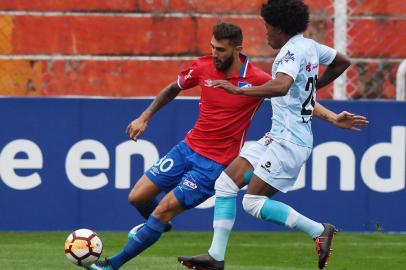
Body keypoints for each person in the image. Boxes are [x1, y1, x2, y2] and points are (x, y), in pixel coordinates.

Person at [177, 1, 369, 270]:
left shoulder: (290, 52)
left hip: (290, 143)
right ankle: (216, 257)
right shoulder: (310, 46)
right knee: (225, 184)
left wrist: (239, 91)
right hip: (276, 137)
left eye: (267, 27)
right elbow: (341, 62)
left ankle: (318, 230)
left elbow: (281, 86)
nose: (265, 33)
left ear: (279, 28)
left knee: (253, 203)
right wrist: (315, 97)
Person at [85, 22, 273, 270]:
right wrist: (145, 117)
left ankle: (112, 265)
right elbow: (173, 88)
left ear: (238, 49)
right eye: (212, 47)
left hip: (213, 166)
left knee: (163, 210)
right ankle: (158, 226)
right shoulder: (203, 66)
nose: (215, 54)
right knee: (137, 197)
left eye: (221, 50)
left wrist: (331, 118)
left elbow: (292, 95)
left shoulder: (258, 79)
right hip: (187, 148)